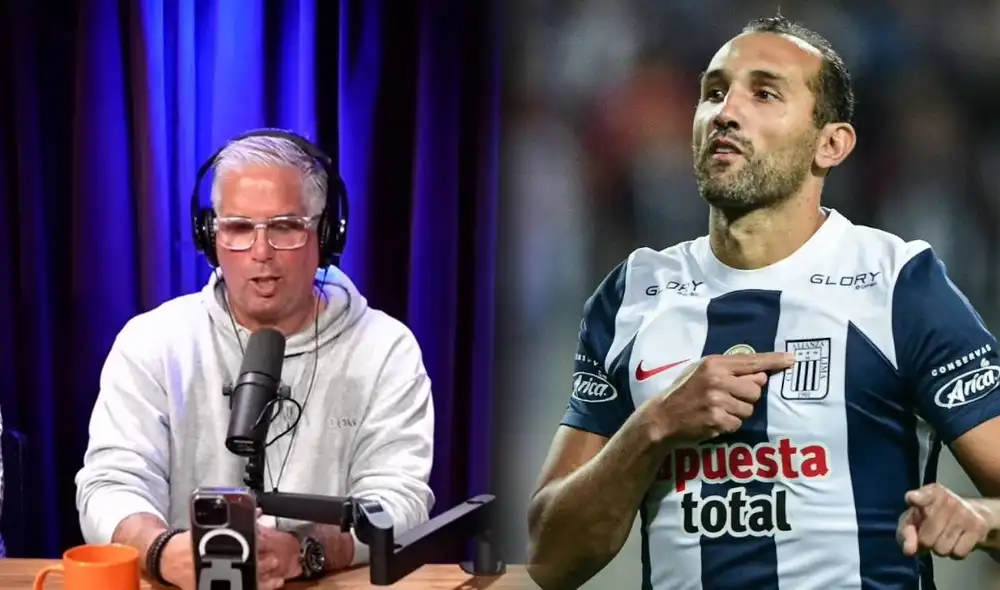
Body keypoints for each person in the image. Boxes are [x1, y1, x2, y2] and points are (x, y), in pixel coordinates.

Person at [525, 15, 1000, 590]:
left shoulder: (897, 282)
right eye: (714, 92)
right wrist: (653, 427)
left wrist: (982, 516)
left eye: (765, 93)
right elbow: (551, 558)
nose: (726, 112)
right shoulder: (632, 293)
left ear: (831, 143)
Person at [74, 130, 435, 590]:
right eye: (239, 228)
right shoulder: (152, 341)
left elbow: (399, 501)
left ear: (324, 234)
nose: (261, 253)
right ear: (210, 236)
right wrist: (164, 552)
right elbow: (109, 486)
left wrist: (307, 552)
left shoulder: (386, 350)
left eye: (285, 226)